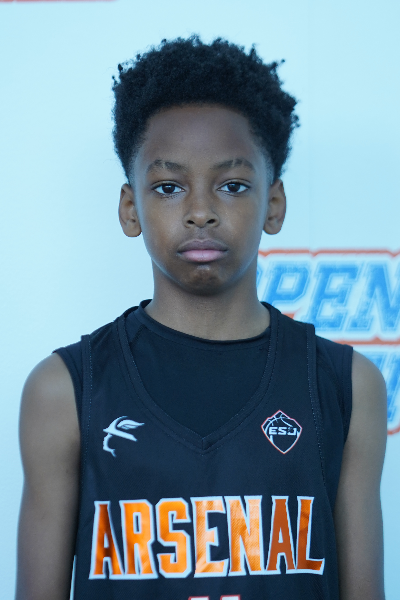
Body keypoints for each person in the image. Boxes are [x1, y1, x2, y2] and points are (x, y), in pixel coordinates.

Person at [16, 37, 387, 600]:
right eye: (169, 187)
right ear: (130, 209)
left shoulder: (345, 384)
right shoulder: (66, 389)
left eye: (232, 186)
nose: (200, 212)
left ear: (274, 205)